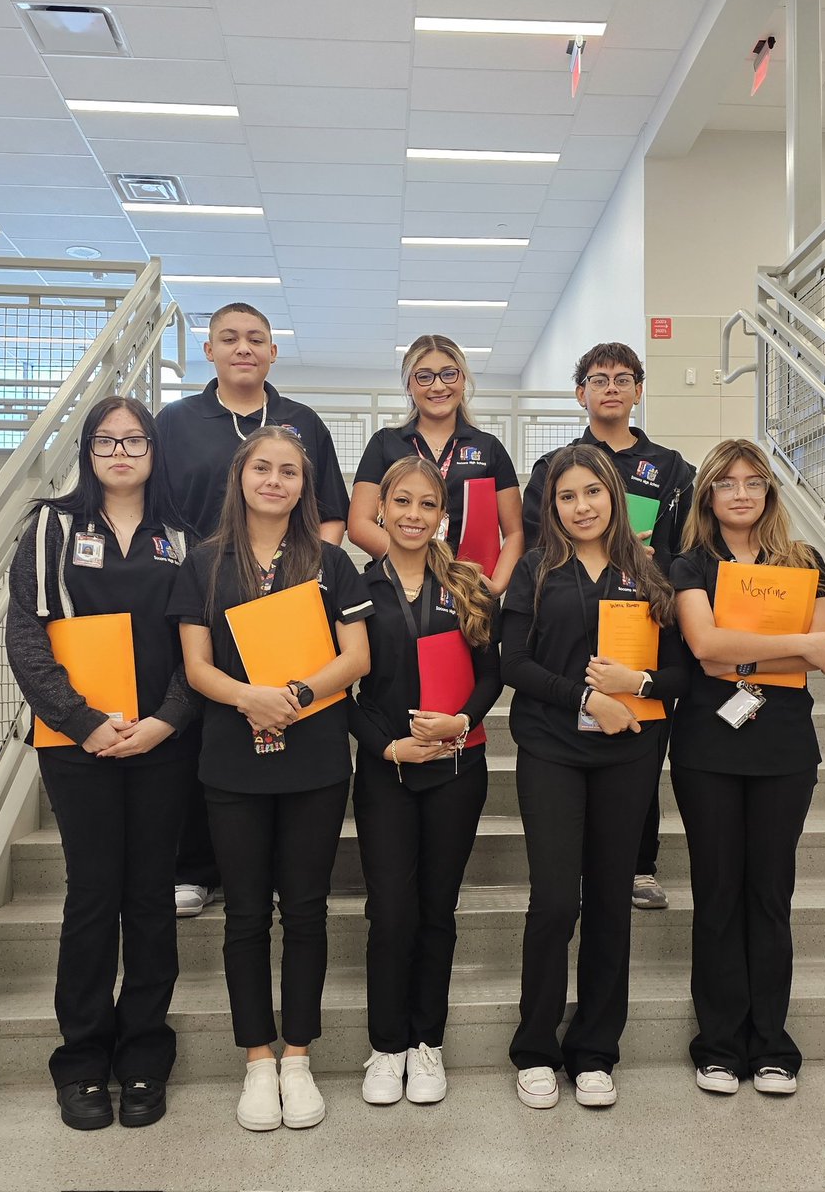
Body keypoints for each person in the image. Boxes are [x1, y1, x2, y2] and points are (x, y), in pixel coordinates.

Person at [168, 425, 372, 1132]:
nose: (275, 480)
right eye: (263, 468)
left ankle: (298, 1056)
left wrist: (296, 698)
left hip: (314, 759)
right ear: (241, 475)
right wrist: (248, 698)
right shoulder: (204, 563)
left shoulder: (331, 562)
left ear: (303, 487)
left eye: (289, 471)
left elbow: (356, 659)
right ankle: (257, 1060)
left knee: (306, 911)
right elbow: (195, 667)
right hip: (231, 758)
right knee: (247, 915)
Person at [5, 395, 199, 1131]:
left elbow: (200, 643)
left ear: (154, 451)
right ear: (86, 452)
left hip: (160, 743)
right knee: (91, 896)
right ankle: (82, 1060)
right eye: (105, 441)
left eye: (135, 440)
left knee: (149, 896)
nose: (120, 452)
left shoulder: (182, 536)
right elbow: (27, 636)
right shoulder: (51, 527)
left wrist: (164, 722)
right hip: (77, 747)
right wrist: (84, 722)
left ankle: (145, 1054)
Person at [502, 444, 688, 1110]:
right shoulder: (534, 570)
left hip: (630, 751)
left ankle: (594, 1050)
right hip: (551, 744)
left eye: (591, 493)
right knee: (555, 900)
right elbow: (512, 665)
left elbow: (678, 675)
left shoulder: (652, 572)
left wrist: (633, 684)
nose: (580, 507)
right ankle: (534, 1048)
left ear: (613, 494)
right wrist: (585, 698)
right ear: (551, 507)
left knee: (610, 900)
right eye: (565, 497)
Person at [157, 302, 351, 917]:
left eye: (256, 339)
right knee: (203, 723)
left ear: (272, 352)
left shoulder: (301, 421)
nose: (243, 348)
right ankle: (198, 866)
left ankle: (274, 868)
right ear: (208, 350)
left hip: (295, 596)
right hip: (206, 589)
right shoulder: (176, 421)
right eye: (229, 338)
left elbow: (330, 513)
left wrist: (307, 583)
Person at [669, 439, 825, 1097]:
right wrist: (789, 645)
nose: (740, 493)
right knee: (716, 895)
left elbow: (824, 653)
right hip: (707, 751)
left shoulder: (803, 563)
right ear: (707, 494)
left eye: (753, 482)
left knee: (768, 895)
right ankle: (716, 1045)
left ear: (768, 492)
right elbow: (705, 647)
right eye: (726, 483)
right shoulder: (689, 565)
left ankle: (770, 1044)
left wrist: (755, 656)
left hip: (783, 752)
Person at [522, 342, 696, 911]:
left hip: (642, 612)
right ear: (582, 394)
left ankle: (638, 864)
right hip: (573, 612)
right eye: (599, 379)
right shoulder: (554, 465)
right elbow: (537, 538)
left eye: (624, 378)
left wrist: (647, 568)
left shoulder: (671, 468)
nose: (612, 388)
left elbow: (685, 546)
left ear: (639, 390)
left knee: (638, 736)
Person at [350, 456, 501, 1106]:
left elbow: (492, 675)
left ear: (443, 516)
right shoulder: (356, 586)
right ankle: (385, 1047)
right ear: (380, 510)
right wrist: (386, 745)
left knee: (437, 910)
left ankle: (425, 1043)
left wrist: (461, 721)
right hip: (385, 770)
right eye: (401, 502)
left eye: (426, 505)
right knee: (389, 913)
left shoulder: (467, 583)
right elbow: (345, 689)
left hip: (456, 770)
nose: (413, 515)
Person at [348, 334, 524, 594]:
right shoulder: (385, 443)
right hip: (396, 587)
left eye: (449, 374)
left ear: (463, 380)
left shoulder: (489, 448)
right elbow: (359, 525)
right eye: (425, 376)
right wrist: (426, 563)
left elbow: (514, 533)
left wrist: (496, 586)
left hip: (467, 590)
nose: (438, 386)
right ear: (409, 385)